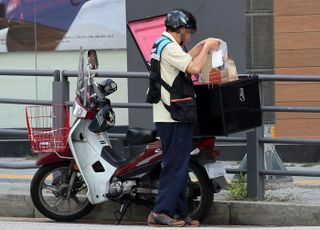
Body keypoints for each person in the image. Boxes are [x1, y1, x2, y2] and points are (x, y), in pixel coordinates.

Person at [147, 9, 221, 227]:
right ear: (179, 29)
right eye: (188, 32)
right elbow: (194, 66)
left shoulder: (163, 43)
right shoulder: (169, 47)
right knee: (174, 165)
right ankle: (160, 211)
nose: (190, 36)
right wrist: (207, 47)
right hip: (173, 115)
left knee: (179, 164)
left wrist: (203, 45)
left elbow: (186, 58)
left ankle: (179, 213)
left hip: (170, 114)